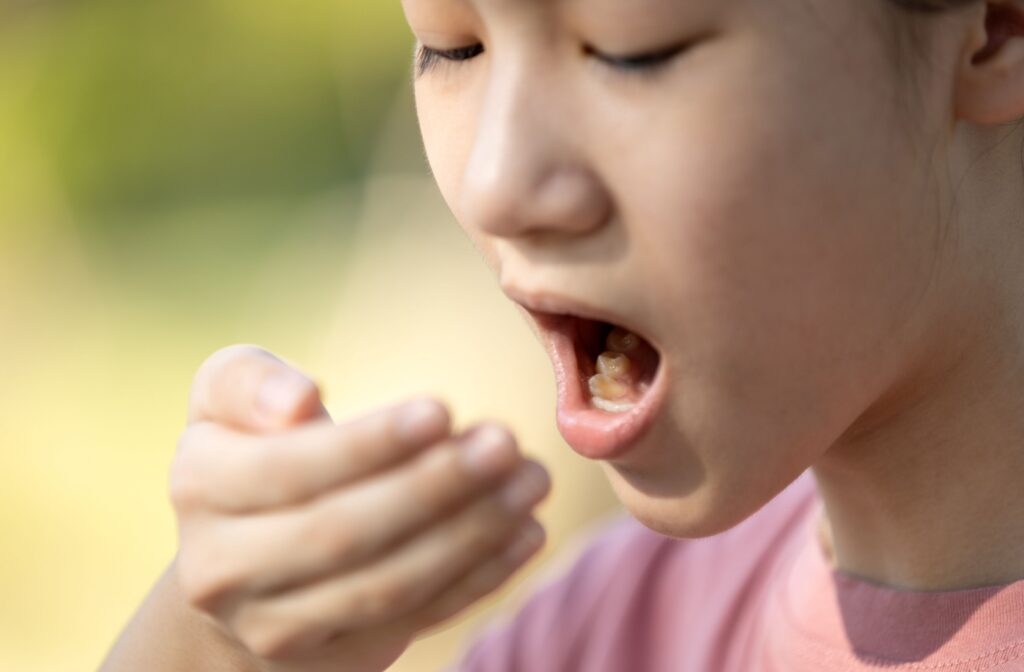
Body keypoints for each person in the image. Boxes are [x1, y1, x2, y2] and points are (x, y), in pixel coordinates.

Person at [100, 0, 1024, 670]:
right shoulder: (608, 630)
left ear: (993, 29)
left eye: (630, 51)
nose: (497, 182)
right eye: (451, 48)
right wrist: (217, 647)